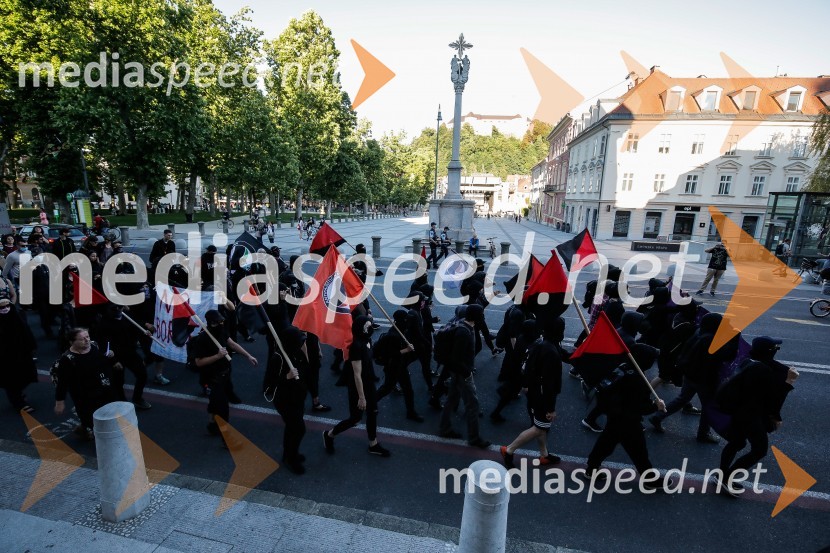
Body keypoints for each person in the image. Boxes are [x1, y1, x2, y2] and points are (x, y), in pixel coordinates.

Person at [716, 336, 798, 496]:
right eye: (776, 349)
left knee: (737, 442)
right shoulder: (763, 372)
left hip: (739, 410)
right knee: (759, 450)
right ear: (769, 352)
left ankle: (722, 475)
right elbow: (774, 400)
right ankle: (727, 478)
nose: (776, 351)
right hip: (751, 416)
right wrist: (789, 382)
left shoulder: (749, 362)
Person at [500, 317, 566, 468]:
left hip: (534, 392)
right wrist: (550, 408)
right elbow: (548, 383)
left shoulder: (541, 343)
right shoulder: (551, 351)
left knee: (540, 426)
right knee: (538, 428)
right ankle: (509, 450)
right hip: (542, 396)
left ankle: (544, 455)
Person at [322, 315, 391, 457]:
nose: (370, 327)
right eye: (367, 325)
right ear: (361, 328)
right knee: (355, 418)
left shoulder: (367, 340)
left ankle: (373, 444)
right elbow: (356, 374)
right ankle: (329, 434)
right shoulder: (356, 346)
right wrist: (361, 397)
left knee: (373, 412)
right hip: (358, 387)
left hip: (369, 383)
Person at [192, 309, 258, 447]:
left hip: (225, 373)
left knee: (216, 401)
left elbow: (232, 343)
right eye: (218, 322)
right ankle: (227, 439)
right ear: (211, 323)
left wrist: (248, 355)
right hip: (213, 378)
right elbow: (198, 362)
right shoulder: (203, 339)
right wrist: (217, 356)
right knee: (223, 409)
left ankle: (212, 425)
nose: (221, 324)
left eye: (222, 321)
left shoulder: (221, 331)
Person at [51, 327, 119, 440]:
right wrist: (59, 402)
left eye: (87, 337)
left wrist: (112, 358)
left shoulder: (94, 346)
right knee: (91, 418)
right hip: (83, 394)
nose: (87, 340)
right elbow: (62, 382)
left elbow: (100, 360)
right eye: (82, 339)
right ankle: (99, 439)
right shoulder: (67, 359)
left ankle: (83, 428)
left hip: (102, 387)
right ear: (72, 342)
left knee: (107, 413)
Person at [438, 304, 491, 449]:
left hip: (457, 372)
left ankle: (444, 428)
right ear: (476, 317)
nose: (483, 317)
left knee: (451, 399)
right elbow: (457, 358)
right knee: (472, 405)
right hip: (462, 373)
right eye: (482, 315)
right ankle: (474, 438)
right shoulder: (464, 332)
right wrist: (467, 373)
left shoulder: (463, 325)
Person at [94, 305, 152, 410]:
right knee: (118, 382)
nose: (117, 310)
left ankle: (137, 398)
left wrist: (144, 332)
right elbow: (103, 344)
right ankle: (123, 403)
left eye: (119, 307)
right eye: (113, 308)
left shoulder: (127, 317)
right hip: (116, 356)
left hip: (130, 353)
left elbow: (135, 328)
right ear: (109, 309)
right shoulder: (104, 323)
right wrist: (113, 361)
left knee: (142, 374)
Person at [269, 326, 309, 474]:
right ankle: (291, 458)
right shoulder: (278, 358)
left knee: (292, 428)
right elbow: (269, 384)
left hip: (298, 398)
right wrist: (286, 377)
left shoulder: (297, 353)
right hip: (285, 401)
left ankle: (289, 453)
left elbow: (306, 370)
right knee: (299, 429)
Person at [375, 310, 422, 422]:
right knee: (386, 388)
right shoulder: (394, 335)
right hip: (393, 367)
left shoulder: (400, 329)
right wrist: (407, 350)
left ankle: (411, 412)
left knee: (407, 389)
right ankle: (368, 403)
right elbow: (392, 353)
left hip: (400, 366)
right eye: (405, 319)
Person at [0, 298, 38, 413]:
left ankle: (17, 394)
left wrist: (31, 347)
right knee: (10, 380)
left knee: (26, 376)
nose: (5, 309)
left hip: (21, 353)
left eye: (7, 306)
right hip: (4, 357)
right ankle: (18, 403)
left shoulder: (17, 316)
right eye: (1, 308)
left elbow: (26, 332)